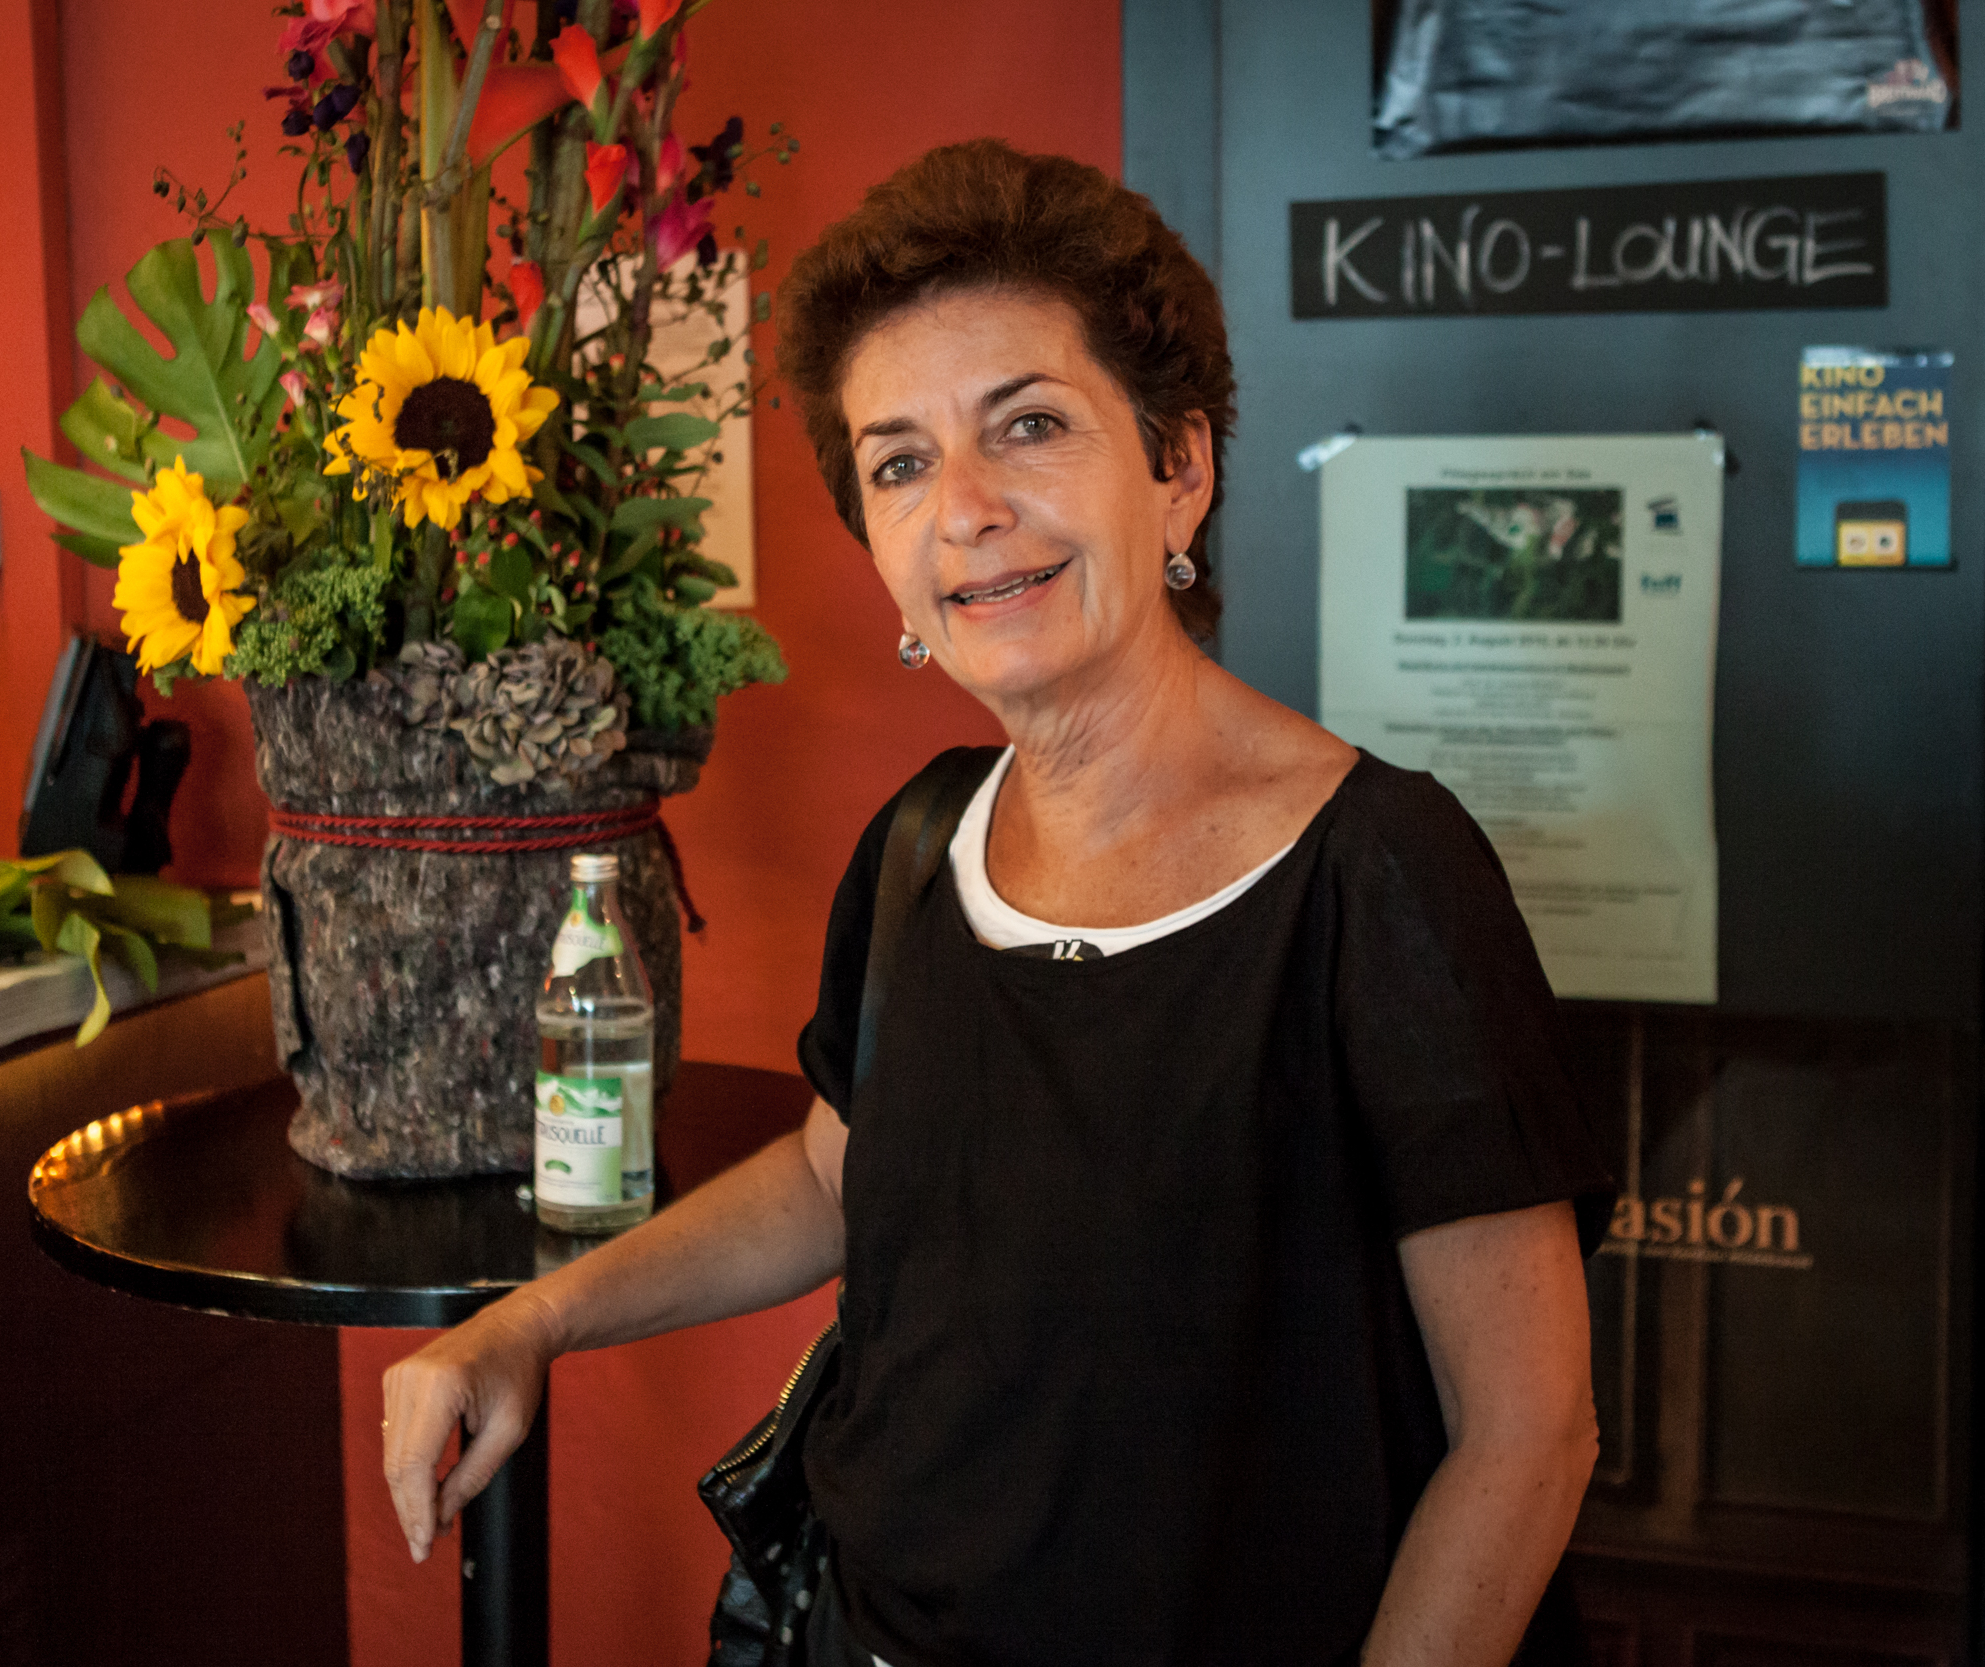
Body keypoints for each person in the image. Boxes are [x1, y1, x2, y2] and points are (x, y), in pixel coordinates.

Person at [382, 140, 1615, 1666]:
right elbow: (835, 1178)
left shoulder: (1381, 872)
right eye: (900, 462)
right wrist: (533, 1320)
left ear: (1179, 466)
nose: (964, 508)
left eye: (1027, 425)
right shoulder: (922, 844)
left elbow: (1526, 1433)